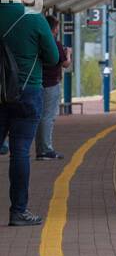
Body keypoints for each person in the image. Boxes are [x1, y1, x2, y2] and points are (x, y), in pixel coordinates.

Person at [0, 0, 60, 225]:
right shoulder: (34, 18)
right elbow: (53, 58)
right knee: (20, 152)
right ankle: (19, 211)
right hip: (27, 91)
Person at [35, 13, 70, 161]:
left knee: (40, 117)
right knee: (48, 117)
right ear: (54, 28)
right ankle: (46, 150)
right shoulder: (54, 44)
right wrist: (68, 54)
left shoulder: (36, 42)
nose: (57, 30)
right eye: (56, 27)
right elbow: (65, 64)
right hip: (51, 84)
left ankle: (41, 149)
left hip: (37, 84)